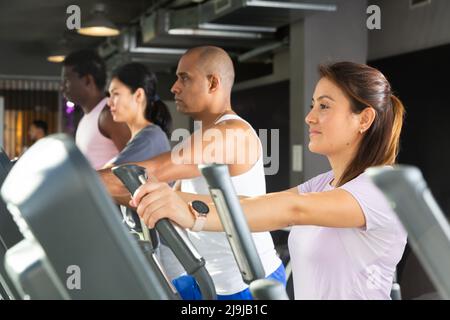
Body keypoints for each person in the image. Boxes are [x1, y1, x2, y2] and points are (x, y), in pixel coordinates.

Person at [131, 61, 408, 300]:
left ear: (364, 119)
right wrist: (171, 199)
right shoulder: (326, 182)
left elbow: (292, 210)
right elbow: (260, 205)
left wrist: (193, 217)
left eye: (324, 106)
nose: (310, 117)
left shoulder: (379, 190)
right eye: (313, 105)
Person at [99, 46, 285, 300]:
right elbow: (146, 190)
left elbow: (136, 177)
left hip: (243, 287)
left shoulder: (231, 134)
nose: (174, 87)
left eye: (184, 78)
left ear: (213, 83)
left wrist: (71, 178)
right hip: (206, 282)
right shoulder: (203, 136)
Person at [61, 49, 130, 169]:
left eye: (67, 80)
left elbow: (135, 164)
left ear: (87, 80)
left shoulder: (109, 115)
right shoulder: (87, 117)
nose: (62, 87)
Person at [103, 62, 172, 167]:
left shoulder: (149, 137)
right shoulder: (145, 136)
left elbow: (109, 177)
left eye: (116, 94)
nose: (109, 102)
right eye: (109, 95)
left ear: (139, 95)